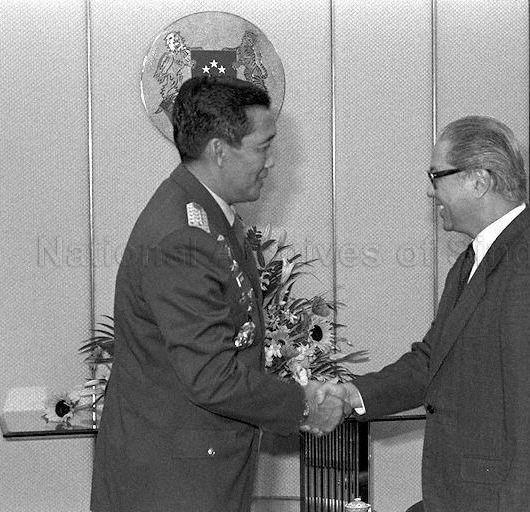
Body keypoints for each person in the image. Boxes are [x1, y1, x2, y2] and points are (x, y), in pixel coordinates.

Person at [91, 76, 344, 512]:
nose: (272, 162)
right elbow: (211, 377)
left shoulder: (209, 218)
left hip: (194, 468)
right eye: (263, 146)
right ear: (219, 149)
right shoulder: (183, 237)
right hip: (173, 483)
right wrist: (302, 404)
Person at [319, 116, 530, 511]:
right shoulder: (475, 259)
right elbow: (433, 361)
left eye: (436, 176)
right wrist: (352, 395)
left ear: (479, 180)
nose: (431, 193)